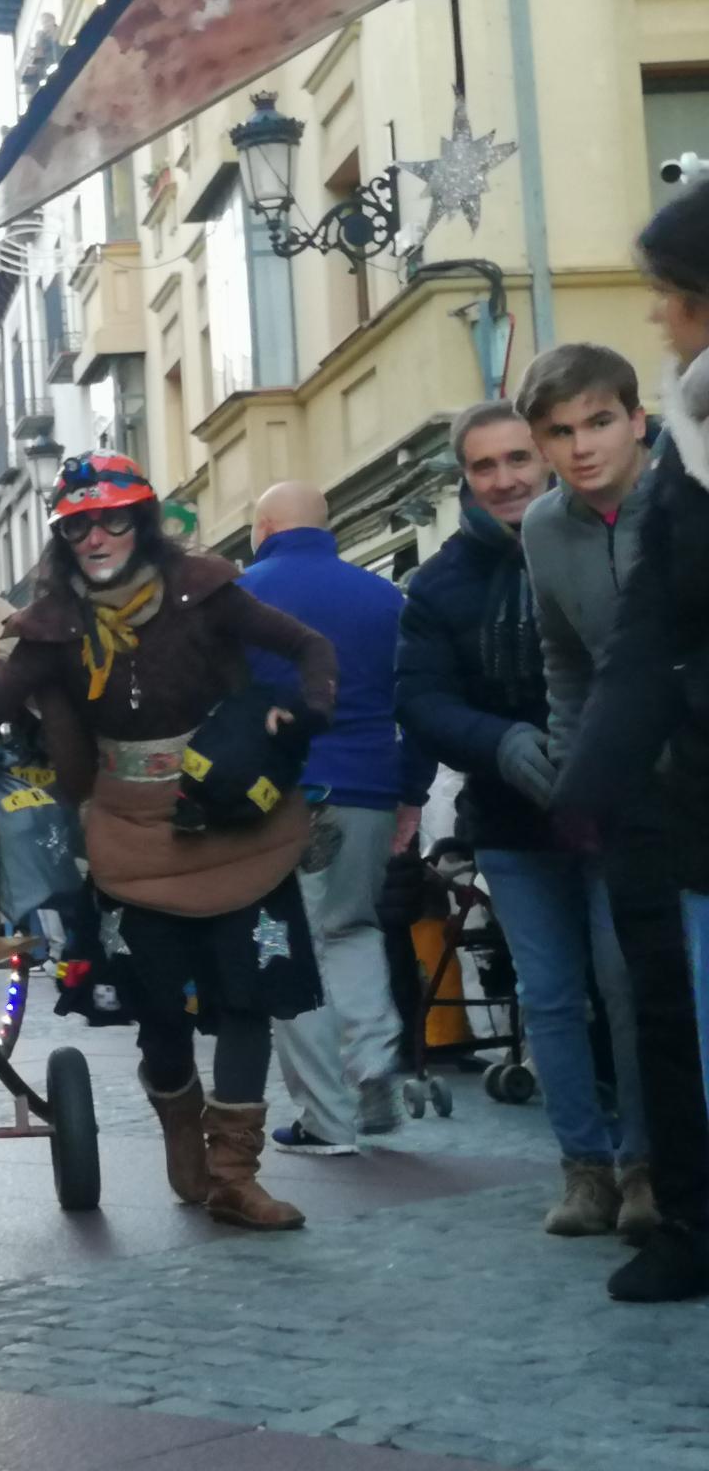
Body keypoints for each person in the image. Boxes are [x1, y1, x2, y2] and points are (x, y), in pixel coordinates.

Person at [0, 452, 333, 1230]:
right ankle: (183, 1136)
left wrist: (304, 708)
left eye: (112, 520)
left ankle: (234, 1174)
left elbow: (308, 649)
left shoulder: (205, 589)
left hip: (234, 824)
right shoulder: (54, 629)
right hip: (128, 838)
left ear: (141, 523)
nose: (96, 537)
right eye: (78, 525)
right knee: (158, 1014)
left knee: (245, 999)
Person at [399, 400, 650, 1240]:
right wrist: (499, 742)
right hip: (512, 821)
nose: (504, 478)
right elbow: (422, 700)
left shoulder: (609, 538)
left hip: (619, 810)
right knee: (547, 997)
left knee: (626, 987)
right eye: (484, 466)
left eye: (516, 458)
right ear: (463, 478)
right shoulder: (438, 584)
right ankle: (584, 1169)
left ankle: (645, 1163)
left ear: (543, 456)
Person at [556, 205, 709, 1294]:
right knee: (678, 1014)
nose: (657, 313)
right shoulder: (688, 459)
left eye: (668, 290)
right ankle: (695, 1226)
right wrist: (588, 785)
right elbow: (647, 633)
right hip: (689, 798)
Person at [238, 481, 435, 1155]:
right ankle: (375, 1064)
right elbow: (420, 703)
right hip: (370, 789)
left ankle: (326, 1118)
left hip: (275, 798)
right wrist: (411, 791)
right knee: (352, 929)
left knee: (283, 946)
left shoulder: (241, 596)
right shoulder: (385, 597)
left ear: (262, 528)